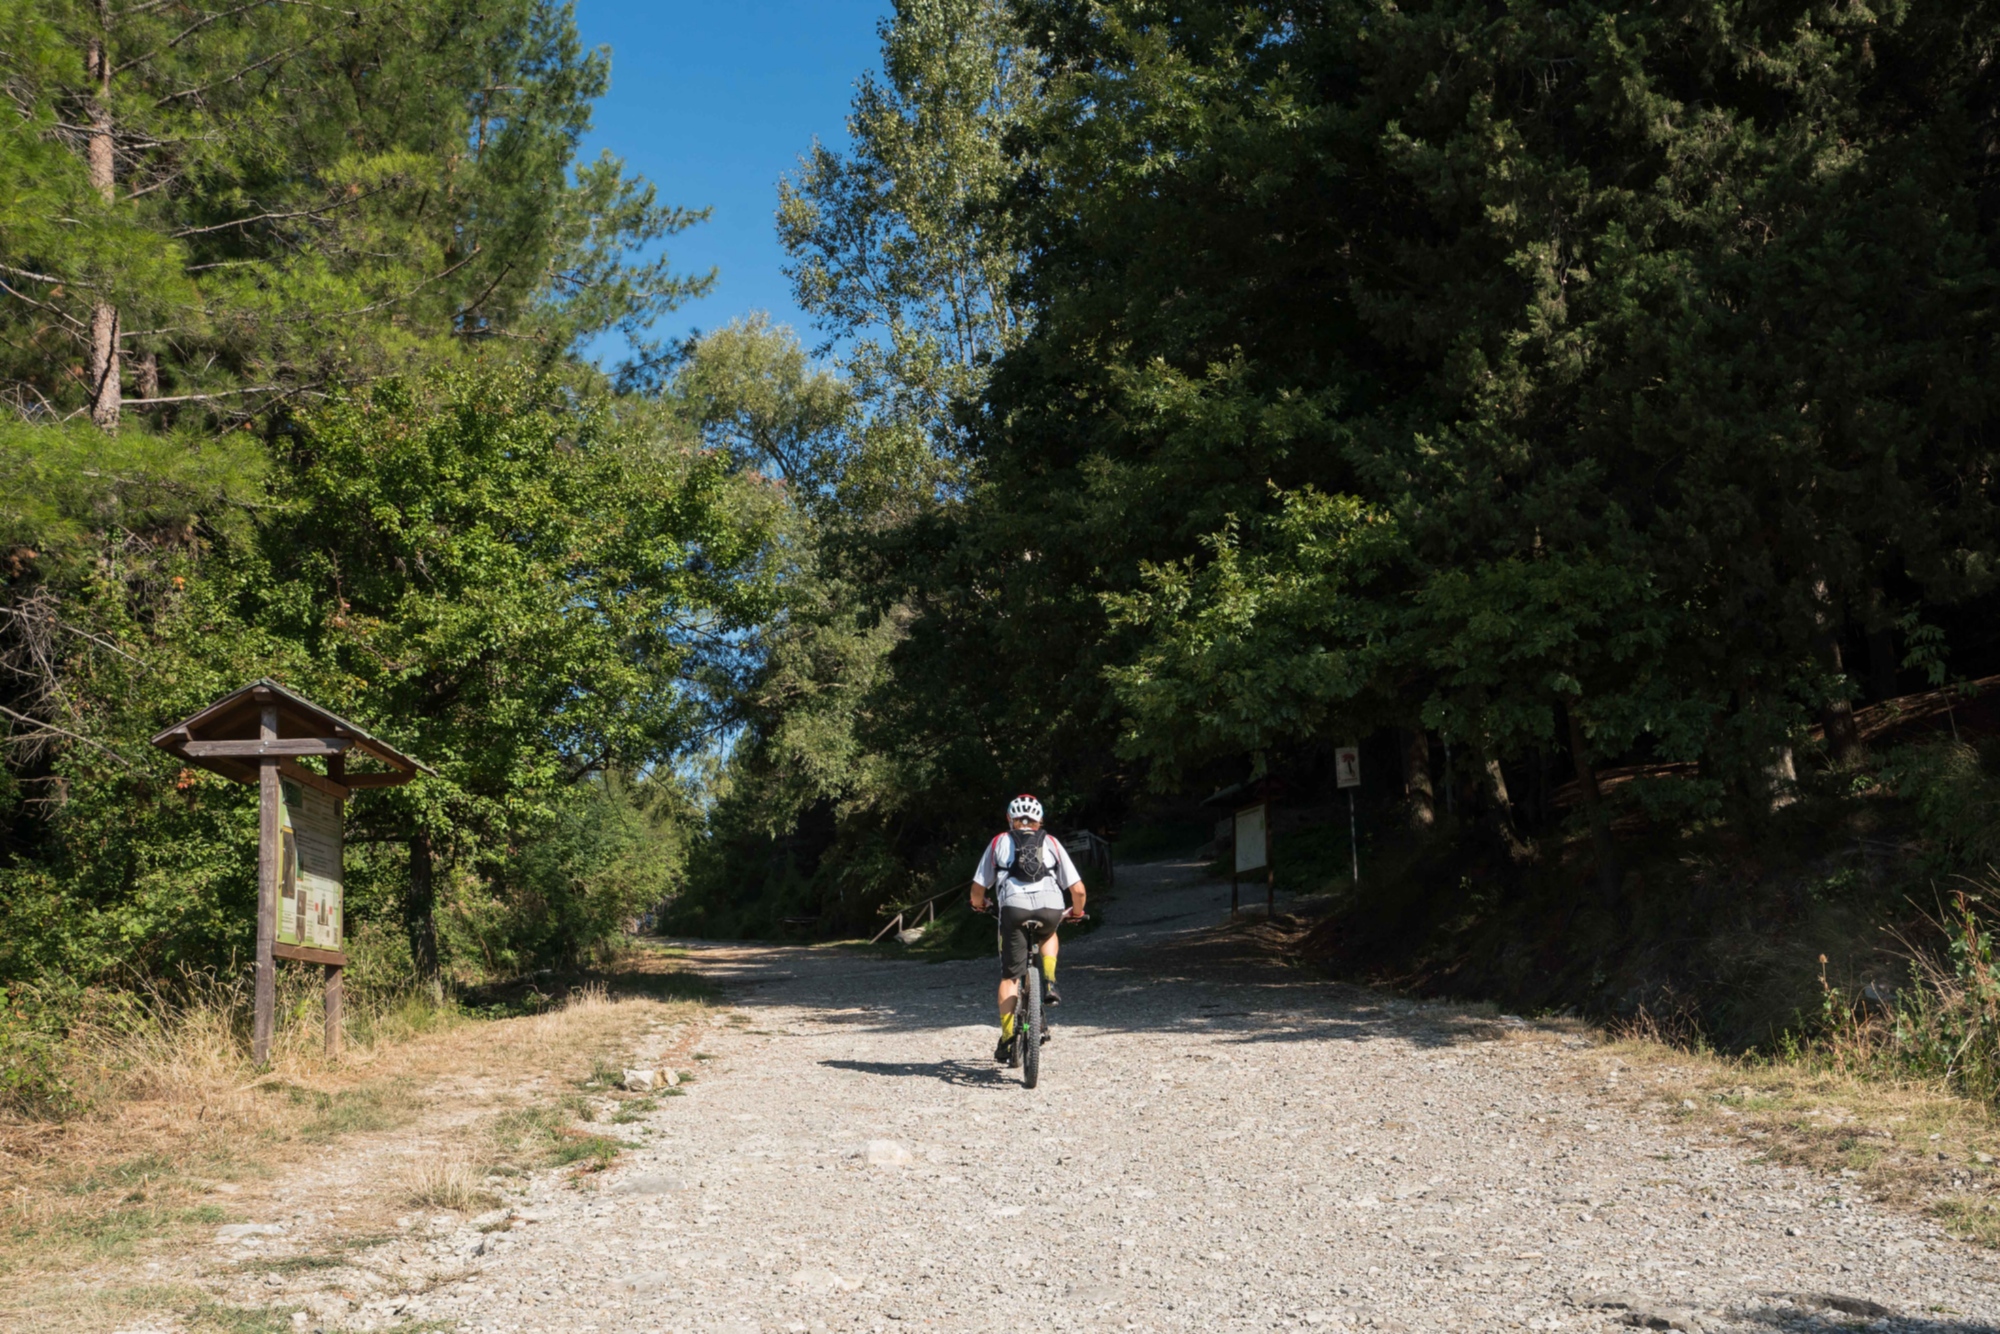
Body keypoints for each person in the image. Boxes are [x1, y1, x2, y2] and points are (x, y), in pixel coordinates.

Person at [969, 794, 1086, 1064]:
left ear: (1010, 820)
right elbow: (1078, 890)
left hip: (1012, 908)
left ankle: (1009, 1037)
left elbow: (978, 889)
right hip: (1050, 907)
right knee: (1049, 932)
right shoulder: (1052, 843)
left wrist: (979, 905)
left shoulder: (999, 841)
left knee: (1010, 978)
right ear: (1039, 821)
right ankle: (1050, 982)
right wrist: (1076, 912)